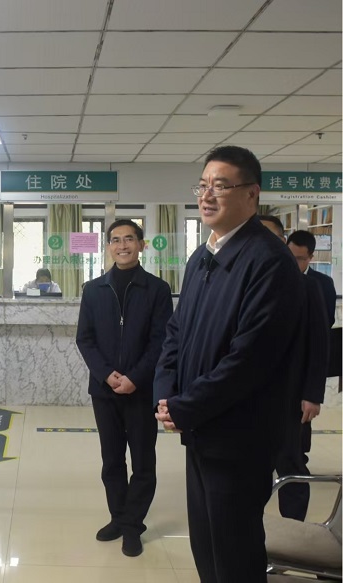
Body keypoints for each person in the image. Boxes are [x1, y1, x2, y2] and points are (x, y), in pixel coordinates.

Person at [154, 146, 306, 583]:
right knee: (207, 547)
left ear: (251, 194)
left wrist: (186, 406)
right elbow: (176, 332)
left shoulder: (269, 262)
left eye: (220, 186)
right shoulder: (202, 257)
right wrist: (165, 395)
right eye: (203, 186)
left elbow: (250, 359)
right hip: (202, 431)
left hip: (240, 437)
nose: (207, 196)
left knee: (235, 554)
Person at [76, 219, 172, 557]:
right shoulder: (93, 290)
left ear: (142, 245)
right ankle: (118, 517)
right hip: (104, 391)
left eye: (129, 239)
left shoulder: (157, 289)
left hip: (142, 391)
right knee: (112, 460)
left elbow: (162, 341)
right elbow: (85, 339)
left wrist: (135, 377)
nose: (122, 245)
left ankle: (133, 526)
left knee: (143, 462)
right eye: (115, 240)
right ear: (108, 247)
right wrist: (107, 375)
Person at [260, 218, 329, 521]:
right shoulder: (245, 282)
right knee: (251, 468)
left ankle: (294, 529)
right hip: (250, 397)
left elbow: (319, 342)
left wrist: (312, 394)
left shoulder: (308, 286)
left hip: (291, 396)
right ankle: (250, 534)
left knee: (292, 463)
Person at [287, 229, 337, 327]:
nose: (293, 262)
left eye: (300, 259)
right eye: (290, 256)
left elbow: (328, 319)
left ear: (310, 257)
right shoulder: (276, 278)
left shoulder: (324, 283)